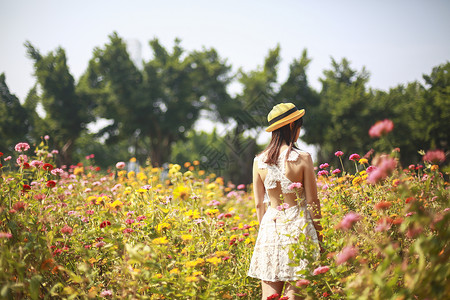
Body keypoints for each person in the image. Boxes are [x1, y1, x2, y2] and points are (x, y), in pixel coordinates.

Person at [247, 103, 323, 300]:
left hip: (270, 227)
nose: (300, 130)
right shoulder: (303, 158)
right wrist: (320, 236)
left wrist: (264, 233)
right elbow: (313, 201)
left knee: (269, 296)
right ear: (291, 126)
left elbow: (258, 204)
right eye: (299, 125)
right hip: (299, 227)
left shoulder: (259, 161)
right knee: (295, 294)